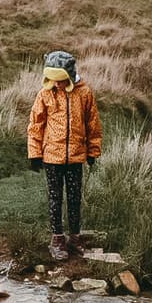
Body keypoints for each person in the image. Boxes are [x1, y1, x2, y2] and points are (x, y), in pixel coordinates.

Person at [27, 51, 102, 260]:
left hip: (76, 156)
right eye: (53, 80)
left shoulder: (84, 93)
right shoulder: (45, 94)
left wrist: (93, 151)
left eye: (60, 81)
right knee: (55, 197)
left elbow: (92, 124)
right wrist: (35, 153)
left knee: (74, 197)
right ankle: (57, 239)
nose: (57, 85)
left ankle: (75, 238)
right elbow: (36, 124)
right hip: (52, 156)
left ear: (69, 76)